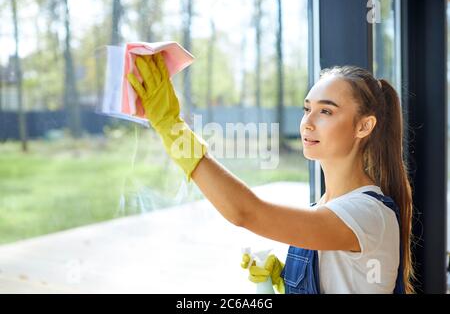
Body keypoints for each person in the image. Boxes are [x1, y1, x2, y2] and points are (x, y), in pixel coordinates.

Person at [127, 53, 414, 294]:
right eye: (306, 108)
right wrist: (282, 280)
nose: (307, 122)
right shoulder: (325, 208)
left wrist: (171, 127)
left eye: (326, 111)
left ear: (364, 126)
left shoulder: (368, 214)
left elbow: (245, 212)